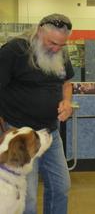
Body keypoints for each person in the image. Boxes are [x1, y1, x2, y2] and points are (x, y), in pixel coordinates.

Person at [0, 13, 74, 214]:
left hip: (50, 132)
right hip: (20, 137)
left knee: (61, 187)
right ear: (40, 31)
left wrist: (67, 101)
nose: (57, 48)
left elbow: (66, 83)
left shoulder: (61, 53)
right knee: (28, 197)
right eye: (52, 43)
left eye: (61, 44)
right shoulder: (14, 51)